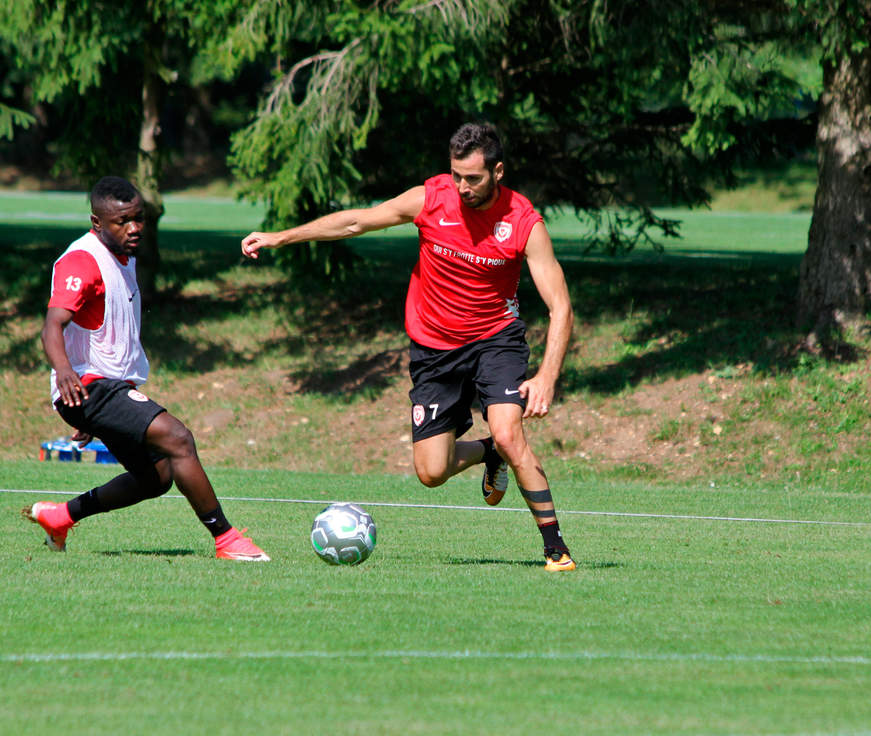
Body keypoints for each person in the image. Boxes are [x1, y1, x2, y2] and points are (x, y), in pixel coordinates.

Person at [241, 123, 576, 571]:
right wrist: (281, 236)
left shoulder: (523, 222)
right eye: (456, 174)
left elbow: (561, 306)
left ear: (498, 171)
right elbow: (357, 220)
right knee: (432, 472)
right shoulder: (431, 198)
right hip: (434, 349)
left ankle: (555, 548)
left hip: (496, 340)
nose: (462, 186)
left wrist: (547, 376)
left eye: (473, 178)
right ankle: (488, 452)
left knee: (510, 432)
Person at [24, 177, 270, 561]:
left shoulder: (126, 256)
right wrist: (67, 375)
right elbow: (52, 324)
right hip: (87, 385)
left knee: (156, 479)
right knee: (178, 438)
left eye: (139, 218)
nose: (134, 228)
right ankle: (226, 539)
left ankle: (61, 516)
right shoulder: (82, 261)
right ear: (97, 222)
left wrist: (96, 413)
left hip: (103, 389)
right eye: (122, 221)